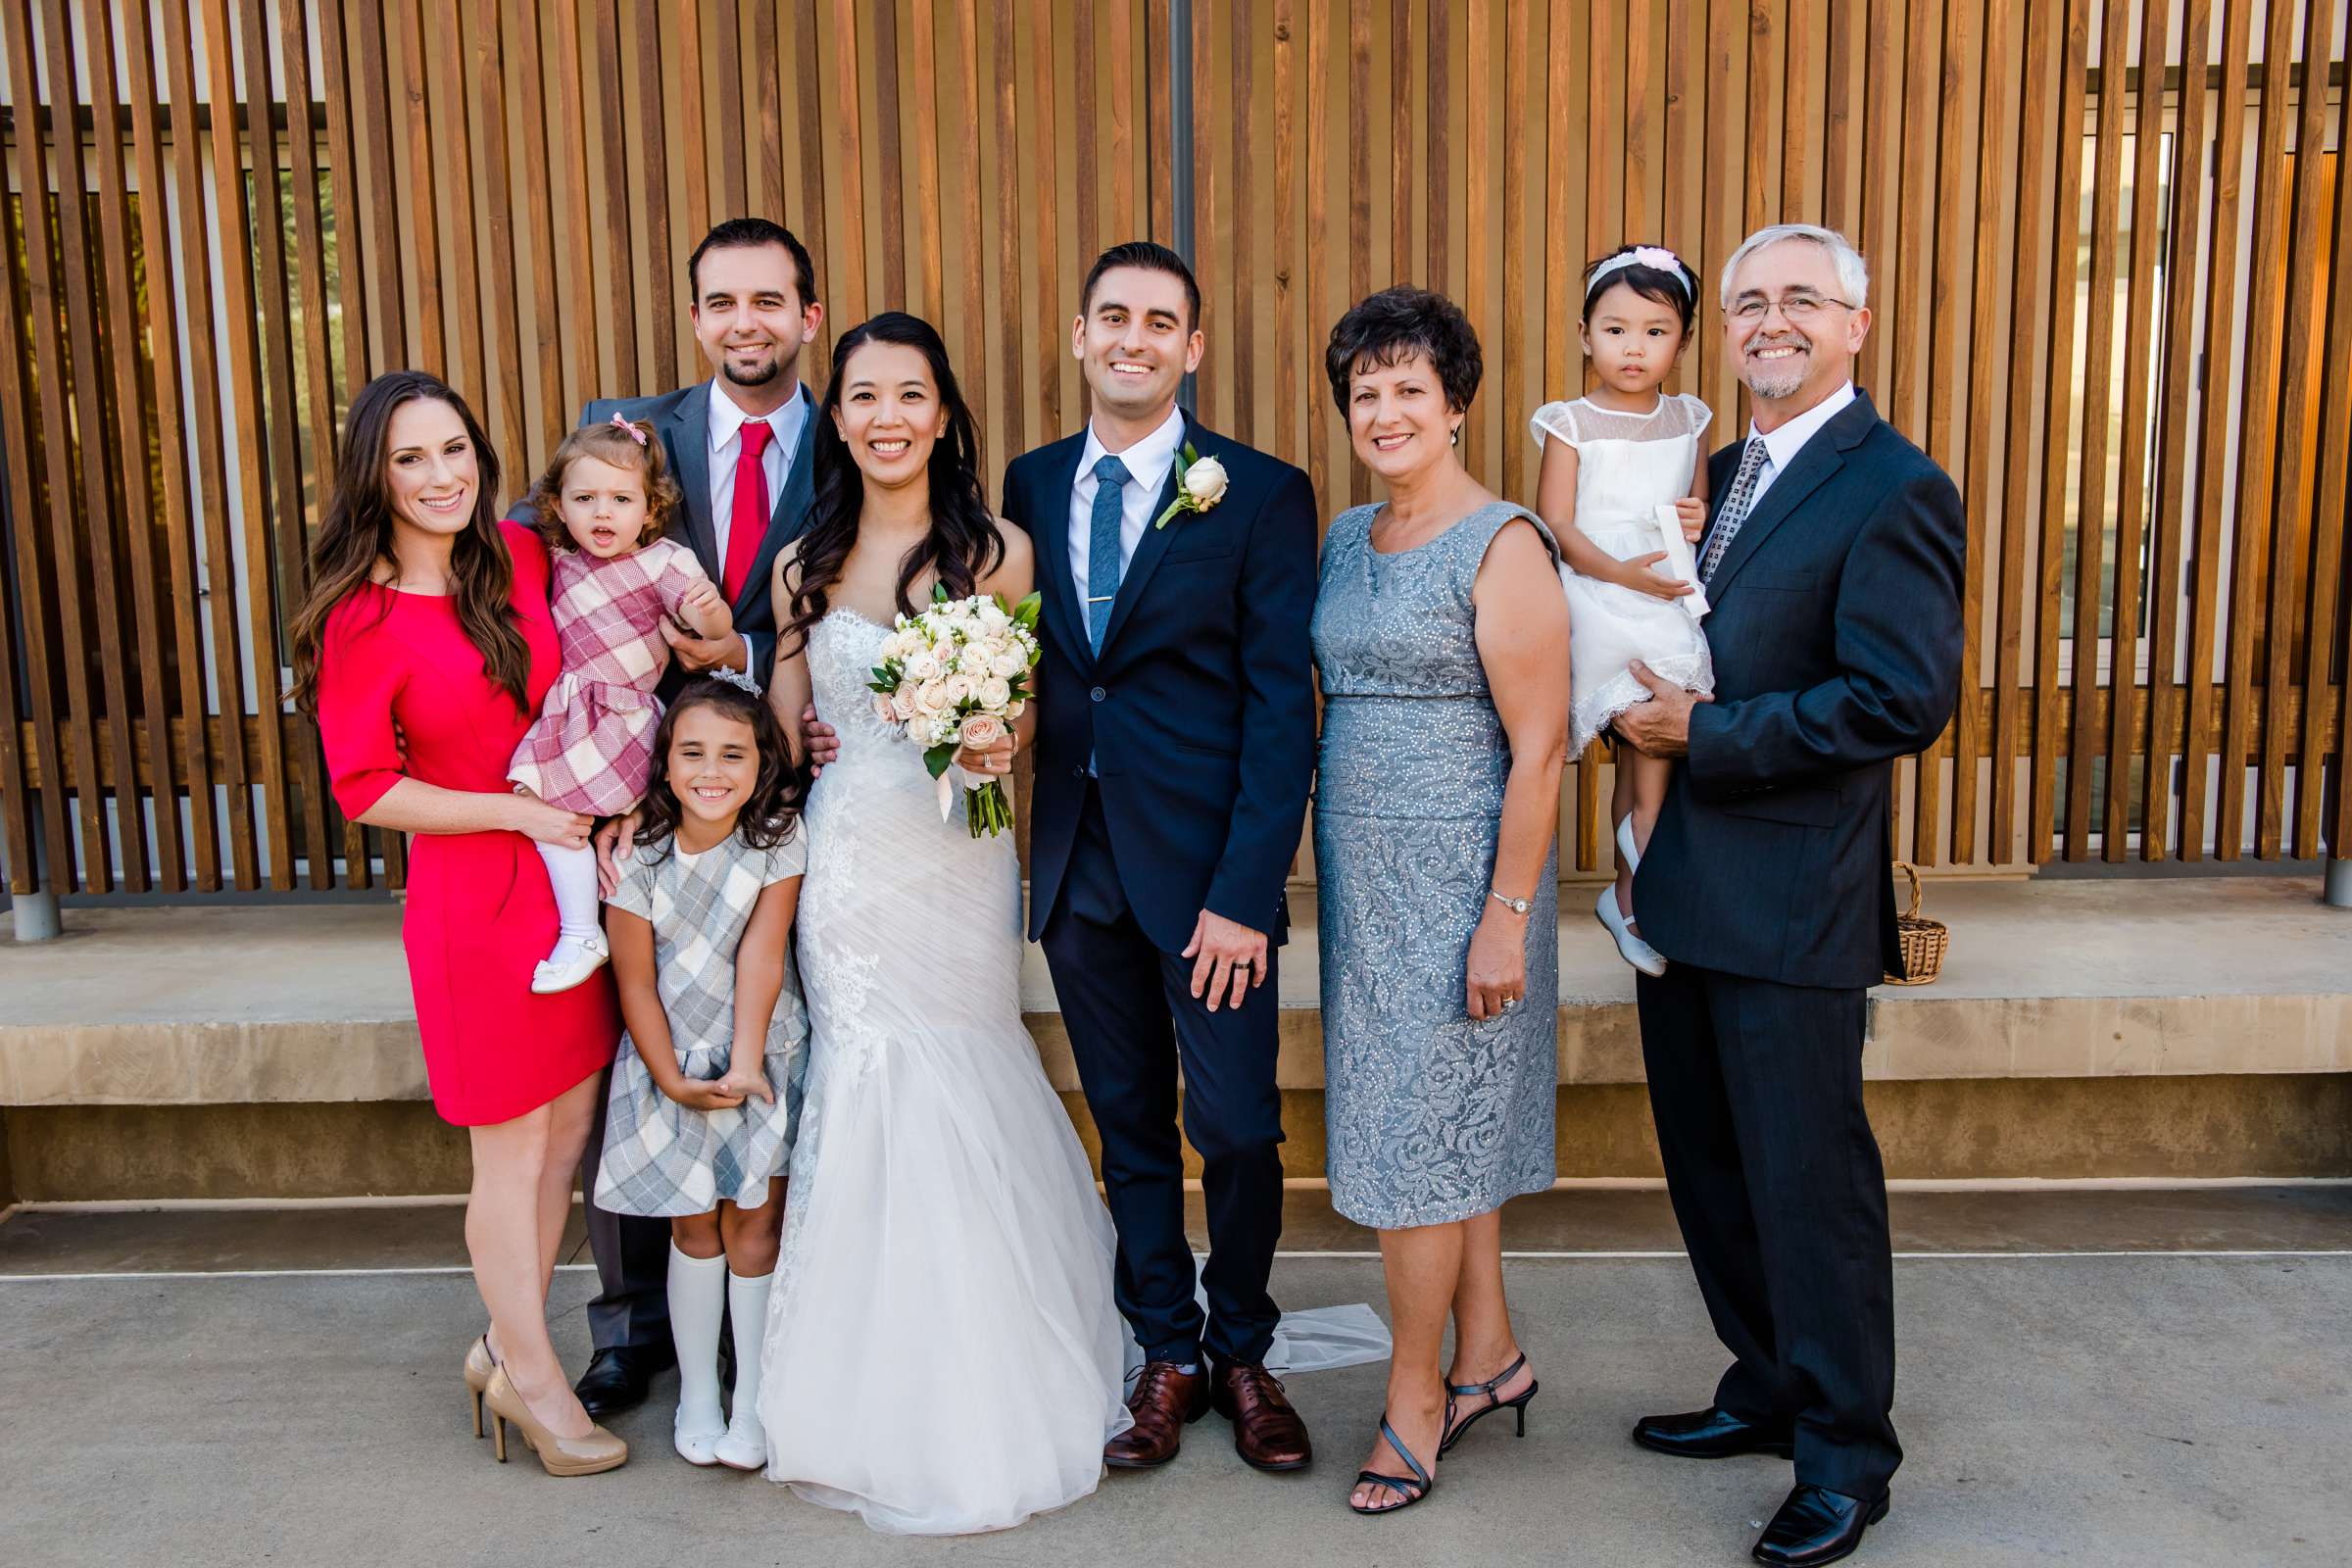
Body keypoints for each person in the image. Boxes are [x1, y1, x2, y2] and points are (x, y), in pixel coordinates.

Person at [1613, 223, 1965, 1568]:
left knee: (1809, 1186)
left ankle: (1844, 1456)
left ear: (1855, 327)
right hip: (1687, 888)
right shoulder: (1718, 473)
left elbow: (1900, 699)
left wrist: (1708, 739)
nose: (1772, 321)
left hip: (1797, 901)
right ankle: (1762, 1385)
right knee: (1711, 1170)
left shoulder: (1895, 486)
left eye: (1801, 302)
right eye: (1751, 302)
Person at [752, 312, 1130, 1534]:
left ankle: (996, 1349)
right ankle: (865, 1372)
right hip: (854, 857)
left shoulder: (998, 551)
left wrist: (991, 737)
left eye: (910, 395)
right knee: (870, 1075)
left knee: (969, 1062)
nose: (887, 419)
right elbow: (787, 715)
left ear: (944, 411)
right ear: (840, 414)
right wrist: (793, 730)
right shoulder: (802, 561)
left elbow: (1022, 720)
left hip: (959, 858)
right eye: (863, 396)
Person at [997, 241, 1320, 1475]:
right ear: (1080, 336)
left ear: (1192, 348)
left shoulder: (1258, 490)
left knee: (1236, 1127)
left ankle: (1244, 1346)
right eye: (1112, 317)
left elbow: (1278, 707)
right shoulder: (1025, 487)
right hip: (1077, 868)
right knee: (1128, 1126)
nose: (1133, 338)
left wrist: (1249, 892)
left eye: (1160, 322)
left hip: (1209, 884)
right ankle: (1166, 1354)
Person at [292, 369, 626, 1478]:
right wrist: (521, 811)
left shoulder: (523, 558)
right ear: (373, 477)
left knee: (570, 1136)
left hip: (572, 885)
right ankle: (534, 1376)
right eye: (411, 458)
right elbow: (365, 785)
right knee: (513, 1148)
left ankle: (504, 1339)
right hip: (474, 902)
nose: (442, 477)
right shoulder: (361, 616)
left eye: (455, 451)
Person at [1310, 287, 1571, 1515]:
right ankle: (1489, 1357)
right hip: (1367, 890)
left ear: (1456, 405)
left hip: (1466, 881)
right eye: (1366, 390)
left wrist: (1505, 912)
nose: (1386, 409)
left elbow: (1542, 744)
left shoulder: (1503, 539)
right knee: (1437, 1134)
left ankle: (1414, 1400)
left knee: (1415, 1149)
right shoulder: (1343, 537)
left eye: (1411, 387)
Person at [572, 216, 836, 1420]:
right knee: (641, 1038)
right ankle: (635, 1332)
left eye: (769, 302)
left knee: (783, 1039)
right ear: (695, 319)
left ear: (807, 317)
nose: (746, 323)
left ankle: (787, 1308)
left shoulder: (858, 442)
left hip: (803, 791)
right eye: (723, 302)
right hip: (647, 795)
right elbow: (567, 601)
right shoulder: (630, 435)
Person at [592, 674, 809, 1473]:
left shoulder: (779, 839)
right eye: (692, 753)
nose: (711, 771)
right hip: (670, 1061)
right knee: (693, 1227)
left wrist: (747, 1061)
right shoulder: (636, 853)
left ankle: (751, 1395)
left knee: (755, 1222)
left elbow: (763, 949)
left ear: (761, 765)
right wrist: (669, 1077)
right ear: (665, 763)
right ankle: (698, 1397)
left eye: (732, 753)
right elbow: (634, 981)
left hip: (763, 1055)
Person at [1530, 244, 1715, 975]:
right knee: (1643, 739)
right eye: (1615, 329)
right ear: (1585, 334)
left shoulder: (1690, 419)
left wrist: (1693, 519)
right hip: (1600, 594)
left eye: (1654, 330)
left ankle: (1630, 891)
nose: (1633, 347)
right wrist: (1624, 578)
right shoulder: (1570, 423)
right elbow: (1559, 528)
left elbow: (1695, 510)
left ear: (1684, 341)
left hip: (1667, 591)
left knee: (1650, 756)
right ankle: (1640, 894)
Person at [506, 417, 726, 995]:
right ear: (558, 505)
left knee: (588, 826)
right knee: (551, 812)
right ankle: (583, 931)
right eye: (585, 499)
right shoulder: (558, 558)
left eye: (620, 499)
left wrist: (708, 614)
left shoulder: (665, 562)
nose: (603, 514)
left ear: (649, 510)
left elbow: (714, 624)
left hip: (625, 718)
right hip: (574, 713)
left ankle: (602, 937)